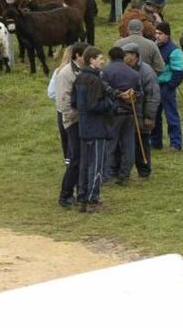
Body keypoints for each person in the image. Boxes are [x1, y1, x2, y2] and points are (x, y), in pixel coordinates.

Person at [71, 46, 117, 212]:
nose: (103, 61)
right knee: (96, 165)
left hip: (83, 127)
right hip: (97, 127)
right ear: (91, 60)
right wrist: (110, 104)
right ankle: (92, 199)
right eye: (99, 58)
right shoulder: (95, 80)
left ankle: (82, 196)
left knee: (84, 164)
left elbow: (74, 103)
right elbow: (94, 105)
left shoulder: (79, 78)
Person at [100, 46, 141, 186]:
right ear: (123, 57)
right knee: (128, 145)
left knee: (110, 145)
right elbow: (140, 94)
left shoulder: (105, 72)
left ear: (110, 57)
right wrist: (131, 96)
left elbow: (104, 89)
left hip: (113, 113)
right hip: (130, 112)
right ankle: (125, 174)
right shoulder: (134, 73)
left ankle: (107, 174)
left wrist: (118, 95)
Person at [55, 43, 87, 208]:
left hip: (79, 118)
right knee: (75, 158)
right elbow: (63, 100)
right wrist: (73, 116)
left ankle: (77, 191)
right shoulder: (66, 73)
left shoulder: (81, 70)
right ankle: (65, 195)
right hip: (72, 120)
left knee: (79, 158)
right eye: (86, 55)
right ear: (77, 56)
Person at [122, 43, 159, 178]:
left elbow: (153, 96)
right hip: (126, 115)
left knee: (141, 142)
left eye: (125, 55)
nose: (123, 57)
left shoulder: (146, 71)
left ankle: (144, 169)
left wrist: (149, 116)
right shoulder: (123, 69)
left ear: (134, 56)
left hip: (141, 114)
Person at [153, 22, 183, 151]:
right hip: (156, 86)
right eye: (156, 33)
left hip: (166, 86)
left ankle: (175, 143)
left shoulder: (174, 50)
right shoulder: (154, 47)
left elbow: (180, 71)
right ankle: (155, 142)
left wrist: (170, 85)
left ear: (167, 35)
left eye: (160, 33)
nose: (157, 36)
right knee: (155, 115)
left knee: (171, 115)